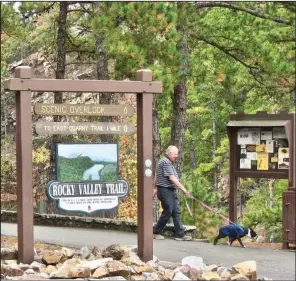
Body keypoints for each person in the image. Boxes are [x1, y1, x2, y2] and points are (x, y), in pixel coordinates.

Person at [153, 145, 192, 241]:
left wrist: (154, 187)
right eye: (175, 154)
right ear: (169, 153)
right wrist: (184, 190)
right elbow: (172, 178)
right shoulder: (165, 162)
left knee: (176, 212)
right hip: (165, 190)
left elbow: (157, 176)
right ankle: (155, 232)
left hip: (170, 190)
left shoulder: (167, 162)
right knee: (168, 211)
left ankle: (180, 234)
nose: (177, 156)